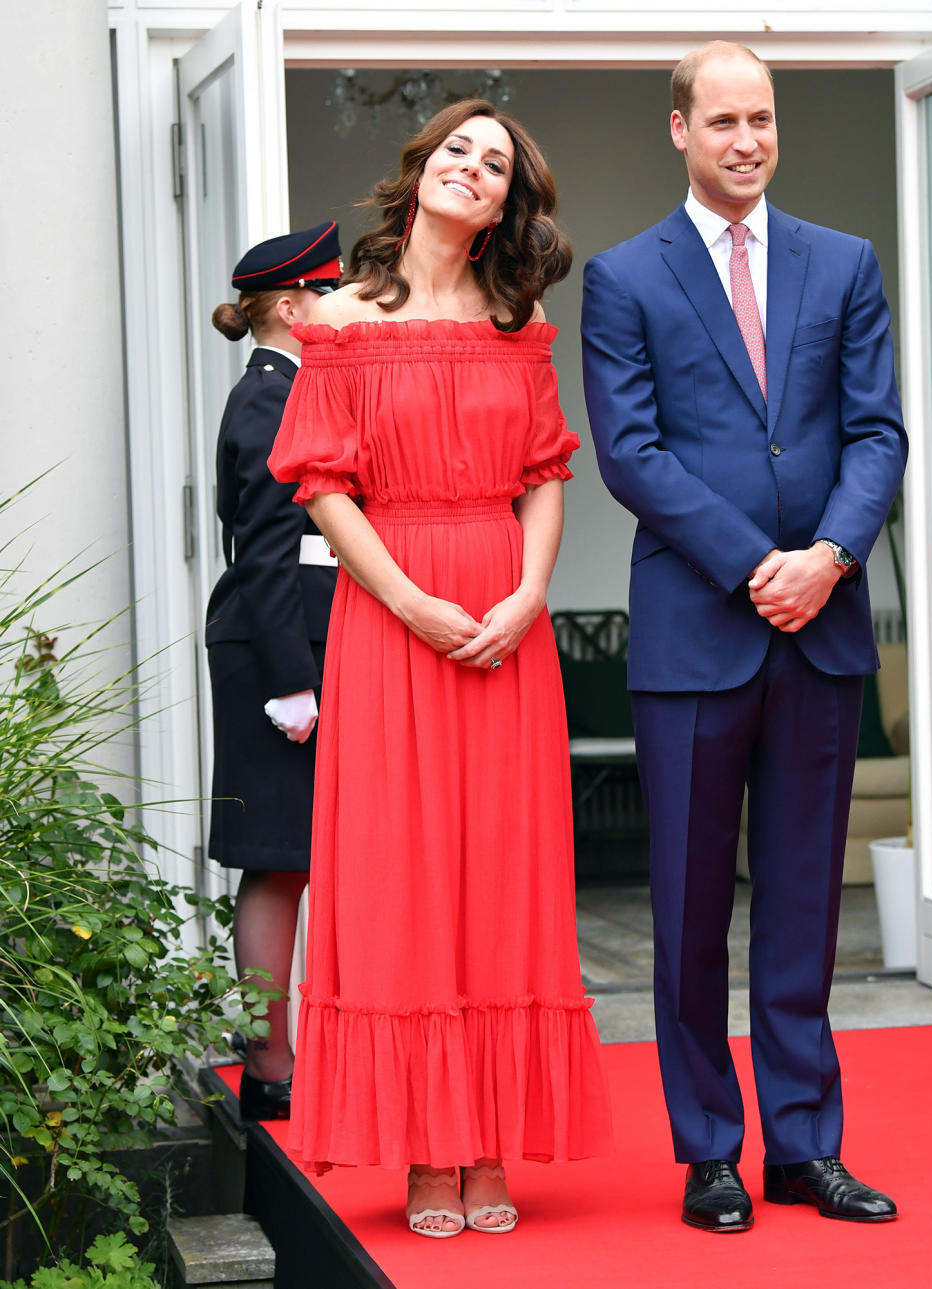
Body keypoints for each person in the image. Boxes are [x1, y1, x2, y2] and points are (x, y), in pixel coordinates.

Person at [268, 100, 613, 1238]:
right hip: (389, 612)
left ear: (509, 203)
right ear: (421, 174)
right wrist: (410, 598)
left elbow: (548, 471)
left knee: (501, 877)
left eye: (498, 162)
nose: (475, 167)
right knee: (400, 875)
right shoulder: (341, 322)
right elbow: (322, 485)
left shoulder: (521, 325)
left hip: (505, 618)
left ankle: (487, 1141)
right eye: (459, 149)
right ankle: (426, 1148)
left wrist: (528, 593)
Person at [581, 42, 908, 1233]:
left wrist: (827, 556)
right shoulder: (626, 278)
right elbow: (630, 452)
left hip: (818, 629)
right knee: (686, 910)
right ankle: (709, 1147)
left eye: (761, 119)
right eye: (722, 120)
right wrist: (753, 563)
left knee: (807, 903)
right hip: (692, 636)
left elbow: (878, 432)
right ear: (680, 130)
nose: (746, 141)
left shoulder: (844, 263)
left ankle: (805, 1146)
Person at [206, 222, 342, 1121]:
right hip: (278, 646)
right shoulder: (269, 398)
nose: (338, 307)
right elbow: (263, 552)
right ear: (290, 306)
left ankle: (291, 1058)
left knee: (304, 855)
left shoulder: (299, 390)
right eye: (325, 293)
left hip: (307, 639)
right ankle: (270, 1064)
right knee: (278, 859)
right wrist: (293, 680)